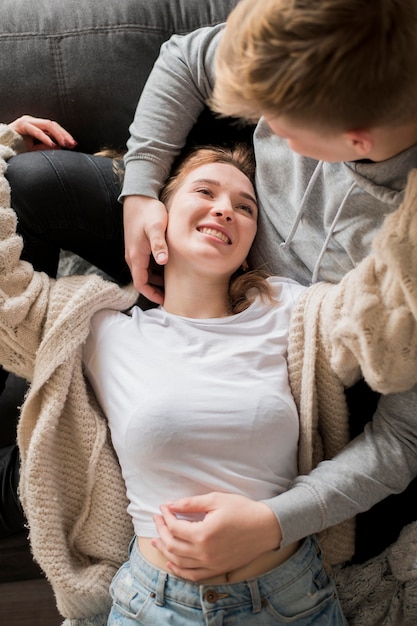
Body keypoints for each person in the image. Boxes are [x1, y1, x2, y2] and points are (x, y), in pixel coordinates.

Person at [2, 0, 417, 579]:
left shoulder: (387, 279)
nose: (261, 126)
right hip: (174, 262)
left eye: (278, 117)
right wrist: (143, 187)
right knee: (41, 185)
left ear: (356, 139)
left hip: (316, 333)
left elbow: (404, 438)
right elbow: (186, 58)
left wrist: (276, 521)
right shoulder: (322, 28)